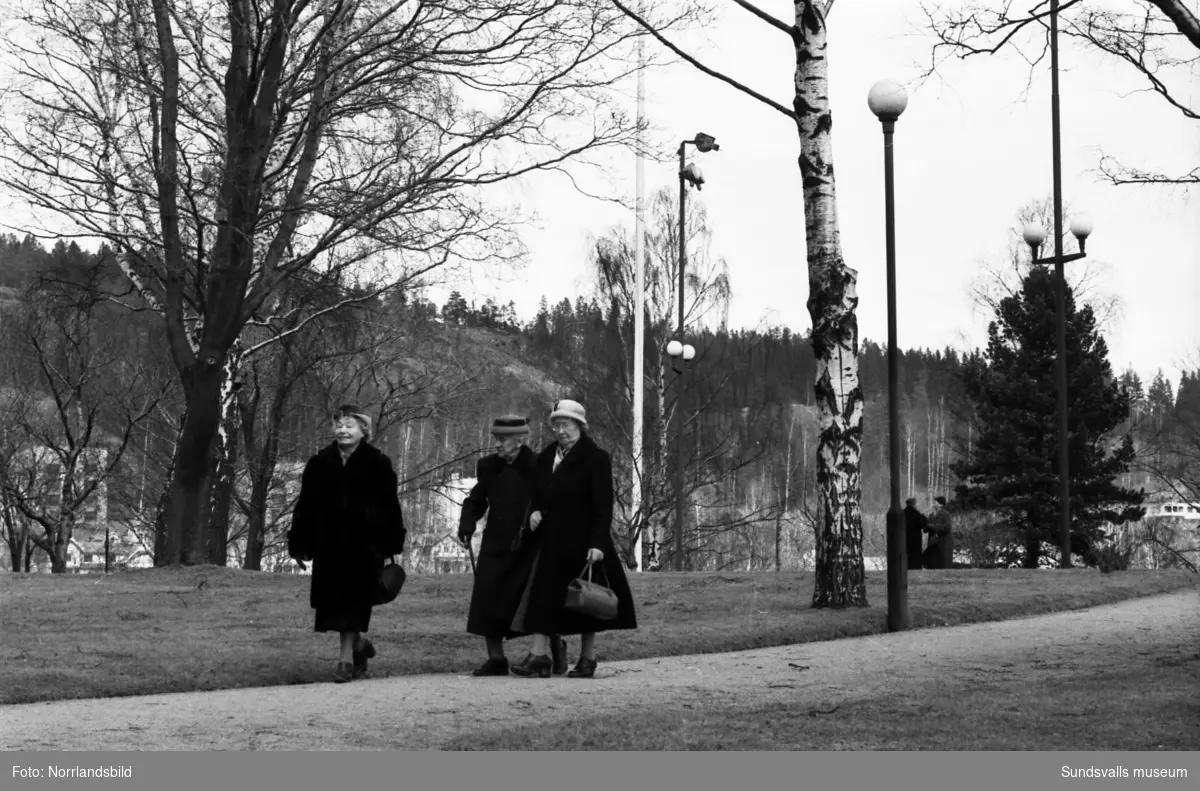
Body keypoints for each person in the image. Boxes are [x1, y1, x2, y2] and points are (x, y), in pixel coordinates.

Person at [509, 399, 637, 679]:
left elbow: (603, 505)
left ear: (580, 426)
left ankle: (587, 659)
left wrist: (597, 544)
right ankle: (539, 656)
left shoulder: (596, 458)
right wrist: (534, 513)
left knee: (587, 603)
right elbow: (538, 495)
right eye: (556, 425)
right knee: (543, 598)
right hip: (551, 541)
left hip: (584, 542)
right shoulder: (546, 457)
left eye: (565, 424)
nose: (560, 430)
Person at [287, 405, 406, 683]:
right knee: (332, 607)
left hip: (364, 548)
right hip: (329, 545)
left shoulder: (378, 463)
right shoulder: (319, 462)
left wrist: (389, 544)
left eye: (350, 425)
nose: (343, 430)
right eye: (339, 425)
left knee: (353, 604)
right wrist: (300, 542)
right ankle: (360, 647)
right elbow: (305, 506)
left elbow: (391, 507)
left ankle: (344, 662)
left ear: (364, 430)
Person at [457, 415, 567, 676]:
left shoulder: (538, 464)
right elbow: (476, 499)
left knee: (531, 601)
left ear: (520, 440)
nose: (497, 444)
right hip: (496, 541)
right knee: (487, 598)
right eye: (496, 438)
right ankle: (496, 658)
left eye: (503, 439)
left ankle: (554, 645)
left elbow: (553, 499)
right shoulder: (488, 466)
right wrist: (467, 524)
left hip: (529, 542)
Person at [927, 495, 954, 569]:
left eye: (935, 502)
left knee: (942, 561)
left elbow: (947, 526)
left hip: (943, 540)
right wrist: (926, 526)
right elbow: (927, 525)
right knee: (933, 560)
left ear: (940, 504)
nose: (933, 504)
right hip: (933, 540)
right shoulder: (931, 514)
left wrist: (933, 526)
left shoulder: (945, 514)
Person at [904, 497, 927, 570]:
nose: (918, 505)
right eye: (917, 503)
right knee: (915, 556)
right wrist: (923, 516)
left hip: (905, 538)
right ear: (913, 504)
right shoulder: (916, 514)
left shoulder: (903, 513)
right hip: (915, 538)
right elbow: (922, 523)